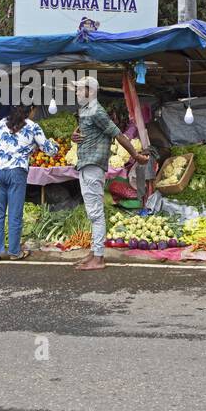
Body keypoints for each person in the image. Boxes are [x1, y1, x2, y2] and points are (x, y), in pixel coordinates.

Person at [69, 77, 149, 271]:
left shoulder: (97, 111)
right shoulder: (86, 110)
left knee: (95, 213)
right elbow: (85, 132)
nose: (77, 93)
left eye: (81, 90)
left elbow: (118, 134)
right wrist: (74, 135)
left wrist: (135, 155)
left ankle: (99, 258)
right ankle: (94, 252)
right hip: (85, 164)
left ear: (91, 91)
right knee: (92, 211)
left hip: (93, 165)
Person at [0, 105, 57, 262]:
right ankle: (14, 252)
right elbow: (49, 149)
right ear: (31, 109)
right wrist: (54, 146)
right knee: (15, 212)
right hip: (16, 172)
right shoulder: (33, 126)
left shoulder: (2, 122)